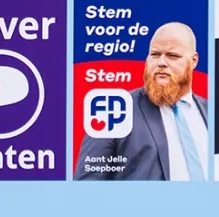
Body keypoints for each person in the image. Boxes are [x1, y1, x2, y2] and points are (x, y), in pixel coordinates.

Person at [75, 22, 210, 180]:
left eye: (172, 56)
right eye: (155, 54)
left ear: (193, 61)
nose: (161, 62)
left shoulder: (213, 114)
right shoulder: (114, 110)